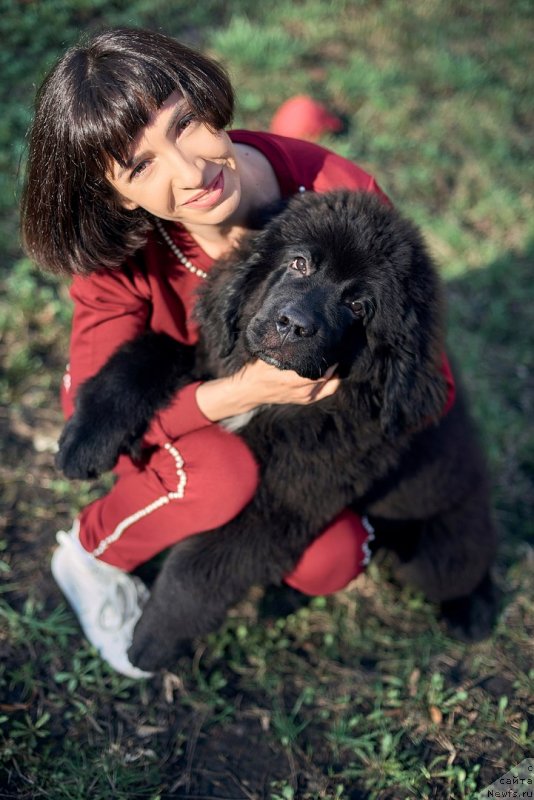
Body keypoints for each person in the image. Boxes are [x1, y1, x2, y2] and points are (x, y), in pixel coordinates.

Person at [21, 27, 388, 679]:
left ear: (208, 100)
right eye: (141, 165)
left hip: (299, 437)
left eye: (186, 123)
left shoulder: (340, 199)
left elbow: (416, 376)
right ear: (114, 194)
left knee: (334, 557)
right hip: (176, 413)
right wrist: (240, 394)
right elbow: (96, 431)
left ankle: (214, 514)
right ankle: (91, 554)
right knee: (214, 475)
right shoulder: (122, 249)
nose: (190, 171)